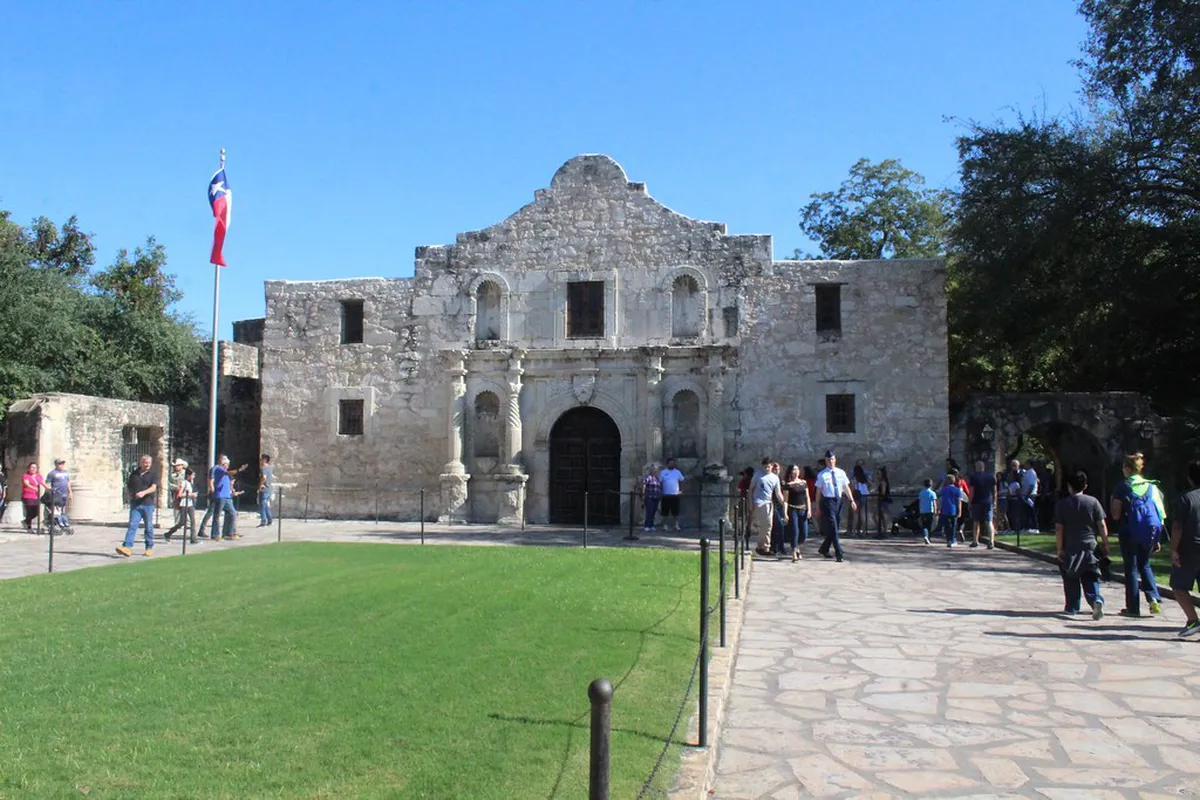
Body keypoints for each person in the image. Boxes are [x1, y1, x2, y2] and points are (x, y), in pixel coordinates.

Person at [1109, 452, 1165, 617]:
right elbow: (1160, 513)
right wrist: (1157, 538)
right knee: (1145, 564)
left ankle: (1133, 608)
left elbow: (1116, 515)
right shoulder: (1152, 486)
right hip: (1149, 531)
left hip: (1128, 532)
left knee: (1131, 569)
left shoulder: (1123, 487)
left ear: (1127, 468)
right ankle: (1153, 597)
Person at [1055, 470, 1108, 619]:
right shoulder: (1093, 502)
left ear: (1069, 486)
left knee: (1071, 577)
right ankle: (1095, 599)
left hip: (1071, 546)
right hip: (1090, 546)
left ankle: (1072, 607)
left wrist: (1059, 548)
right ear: (1085, 485)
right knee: (1090, 576)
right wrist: (1105, 543)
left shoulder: (1063, 504)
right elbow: (1101, 524)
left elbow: (1059, 528)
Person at [1168, 460, 1200, 638]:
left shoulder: (1185, 499)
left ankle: (1193, 620)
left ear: (1189, 478)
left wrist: (1173, 550)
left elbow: (1177, 527)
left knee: (1179, 587)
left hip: (1190, 548)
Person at [814, 450, 856, 562]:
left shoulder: (840, 473)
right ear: (825, 461)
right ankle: (839, 552)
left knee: (835, 527)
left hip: (838, 500)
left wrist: (851, 500)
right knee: (833, 527)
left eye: (832, 459)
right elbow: (818, 492)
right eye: (828, 460)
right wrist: (817, 507)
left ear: (835, 459)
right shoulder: (822, 475)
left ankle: (824, 548)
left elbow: (846, 487)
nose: (830, 461)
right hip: (828, 502)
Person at [117, 455, 157, 557]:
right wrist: (129, 496)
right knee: (132, 525)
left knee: (148, 526)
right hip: (135, 504)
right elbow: (129, 486)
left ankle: (149, 547)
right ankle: (127, 547)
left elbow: (153, 488)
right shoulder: (134, 474)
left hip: (147, 504)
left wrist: (144, 493)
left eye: (149, 463)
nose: (147, 465)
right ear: (141, 463)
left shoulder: (152, 475)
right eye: (145, 462)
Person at [209, 455, 249, 542]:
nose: (227, 465)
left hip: (227, 496)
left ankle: (229, 533)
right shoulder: (218, 469)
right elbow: (228, 473)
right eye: (226, 464)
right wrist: (239, 470)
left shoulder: (224, 470)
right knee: (217, 515)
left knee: (232, 513)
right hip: (220, 496)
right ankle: (215, 535)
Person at [750, 457, 784, 556]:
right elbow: (751, 489)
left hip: (769, 503)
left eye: (768, 467)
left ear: (772, 466)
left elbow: (778, 493)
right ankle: (766, 547)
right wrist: (750, 502)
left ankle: (761, 547)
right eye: (765, 467)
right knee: (766, 524)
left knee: (768, 525)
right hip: (759, 502)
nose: (767, 469)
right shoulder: (758, 475)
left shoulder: (775, 478)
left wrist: (784, 503)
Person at [782, 464, 810, 563]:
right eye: (794, 470)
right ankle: (794, 552)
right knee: (795, 531)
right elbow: (785, 500)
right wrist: (785, 513)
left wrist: (809, 510)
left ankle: (797, 546)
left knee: (804, 533)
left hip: (803, 509)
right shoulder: (788, 485)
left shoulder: (803, 483)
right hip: (792, 509)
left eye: (797, 469)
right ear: (790, 472)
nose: (796, 471)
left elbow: (807, 497)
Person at [967, 460, 998, 549]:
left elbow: (971, 492)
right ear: (983, 467)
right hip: (988, 501)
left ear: (976, 467)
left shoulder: (973, 477)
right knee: (989, 522)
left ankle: (975, 541)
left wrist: (969, 502)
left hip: (977, 501)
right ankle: (991, 541)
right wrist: (994, 501)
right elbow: (995, 491)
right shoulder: (991, 477)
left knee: (976, 521)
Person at [163, 458, 189, 541]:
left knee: (188, 511)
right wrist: (177, 488)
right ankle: (178, 524)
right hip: (177, 494)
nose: (176, 467)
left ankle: (186, 524)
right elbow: (170, 485)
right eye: (175, 466)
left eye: (178, 465)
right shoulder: (173, 475)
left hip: (186, 494)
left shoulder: (186, 474)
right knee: (178, 511)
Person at [937, 475, 966, 547]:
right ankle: (953, 540)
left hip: (945, 509)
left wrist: (939, 509)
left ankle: (948, 539)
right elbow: (959, 502)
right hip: (954, 510)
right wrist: (960, 511)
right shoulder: (957, 490)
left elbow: (941, 499)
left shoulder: (944, 489)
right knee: (953, 525)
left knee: (947, 525)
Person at [45, 458, 72, 533]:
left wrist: (70, 492)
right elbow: (48, 483)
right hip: (56, 495)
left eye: (63, 464)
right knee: (55, 511)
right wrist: (50, 491)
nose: (62, 465)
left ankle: (64, 524)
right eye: (60, 464)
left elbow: (68, 483)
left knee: (62, 511)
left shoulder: (66, 473)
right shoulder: (52, 473)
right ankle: (53, 523)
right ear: (56, 464)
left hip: (64, 495)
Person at [658, 458, 685, 532]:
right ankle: (665, 525)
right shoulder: (663, 472)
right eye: (670, 463)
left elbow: (682, 481)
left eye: (673, 463)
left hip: (675, 495)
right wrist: (660, 491)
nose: (672, 464)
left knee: (675, 512)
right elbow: (660, 482)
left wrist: (681, 491)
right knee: (665, 512)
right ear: (667, 464)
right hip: (666, 495)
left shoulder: (677, 472)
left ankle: (676, 525)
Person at [20, 462, 45, 532]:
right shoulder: (26, 476)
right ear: (28, 468)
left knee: (36, 512)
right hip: (27, 496)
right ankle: (28, 526)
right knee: (30, 511)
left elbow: (43, 483)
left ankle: (25, 521)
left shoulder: (38, 476)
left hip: (36, 496)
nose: (33, 469)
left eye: (35, 468)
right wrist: (34, 488)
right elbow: (26, 483)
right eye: (32, 467)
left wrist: (49, 489)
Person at [178, 468, 198, 544]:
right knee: (182, 522)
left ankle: (193, 539)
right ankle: (168, 533)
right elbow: (180, 495)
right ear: (188, 475)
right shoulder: (184, 483)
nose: (193, 476)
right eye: (192, 475)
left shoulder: (191, 483)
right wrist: (191, 494)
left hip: (190, 504)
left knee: (193, 521)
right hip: (184, 504)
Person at [1019, 459, 1040, 533]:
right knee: (1026, 512)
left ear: (1029, 464)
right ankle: (1027, 527)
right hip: (1025, 494)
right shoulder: (1027, 472)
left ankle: (1035, 527)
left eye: (1026, 463)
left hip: (1030, 495)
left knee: (1031, 511)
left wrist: (1027, 495)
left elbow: (1031, 485)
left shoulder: (1031, 473)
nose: (1025, 464)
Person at [641, 463, 662, 532]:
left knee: (654, 511)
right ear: (651, 470)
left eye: (656, 470)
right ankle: (647, 525)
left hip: (656, 497)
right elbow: (644, 485)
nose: (655, 471)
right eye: (654, 470)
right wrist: (643, 494)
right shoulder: (649, 477)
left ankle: (651, 525)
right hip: (649, 497)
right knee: (649, 511)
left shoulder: (657, 479)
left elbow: (659, 488)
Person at [852, 461, 871, 537]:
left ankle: (853, 531)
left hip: (857, 495)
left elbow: (853, 487)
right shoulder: (865, 478)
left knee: (855, 514)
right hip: (864, 495)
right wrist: (868, 489)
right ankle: (864, 531)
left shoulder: (854, 479)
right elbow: (871, 484)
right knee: (863, 514)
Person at [918, 478, 937, 545]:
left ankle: (925, 536)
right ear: (931, 485)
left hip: (923, 511)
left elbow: (920, 502)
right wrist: (935, 511)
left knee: (924, 525)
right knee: (929, 525)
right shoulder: (933, 493)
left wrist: (920, 509)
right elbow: (934, 503)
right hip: (930, 511)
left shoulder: (921, 493)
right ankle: (928, 537)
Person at [258, 454, 275, 527]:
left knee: (262, 505)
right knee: (267, 505)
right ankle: (270, 520)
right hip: (269, 489)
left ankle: (263, 521)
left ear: (264, 460)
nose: (260, 461)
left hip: (264, 489)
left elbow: (264, 477)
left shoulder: (263, 468)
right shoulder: (270, 467)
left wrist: (259, 486)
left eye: (261, 459)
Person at [876, 466, 892, 537]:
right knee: (879, 516)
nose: (877, 475)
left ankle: (885, 530)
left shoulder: (883, 482)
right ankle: (882, 530)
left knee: (883, 515)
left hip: (884, 500)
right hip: (883, 500)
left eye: (878, 473)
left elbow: (883, 492)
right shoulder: (882, 482)